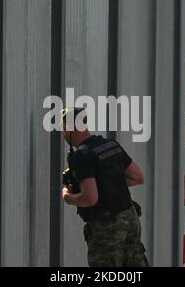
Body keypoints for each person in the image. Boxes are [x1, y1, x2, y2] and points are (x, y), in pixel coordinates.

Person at [60, 107, 149, 267]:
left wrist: (68, 197)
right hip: (130, 219)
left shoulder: (82, 155)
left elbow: (90, 198)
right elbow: (138, 177)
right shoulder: (111, 145)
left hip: (107, 227)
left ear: (68, 128)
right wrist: (107, 183)